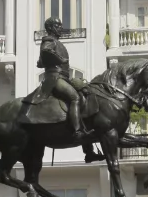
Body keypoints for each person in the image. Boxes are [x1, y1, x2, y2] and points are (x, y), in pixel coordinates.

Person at [23, 17, 104, 163]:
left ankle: (89, 152)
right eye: (58, 25)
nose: (61, 27)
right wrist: (59, 59)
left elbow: (40, 62)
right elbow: (46, 51)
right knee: (75, 98)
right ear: (51, 28)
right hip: (54, 78)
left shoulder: (57, 43)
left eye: (60, 25)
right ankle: (78, 132)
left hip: (64, 78)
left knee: (86, 99)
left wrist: (50, 59)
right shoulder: (49, 39)